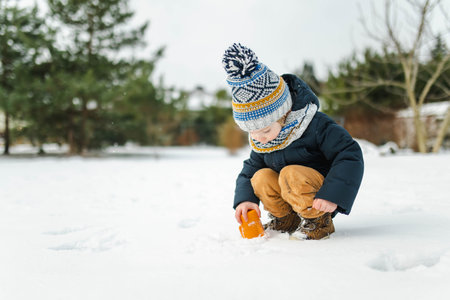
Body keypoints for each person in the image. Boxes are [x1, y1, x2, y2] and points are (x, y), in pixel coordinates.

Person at [222, 43, 364, 240]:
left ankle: (318, 222)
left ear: (283, 114)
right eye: (251, 132)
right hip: (290, 196)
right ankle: (286, 219)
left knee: (291, 173)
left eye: (265, 130)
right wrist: (245, 200)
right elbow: (249, 171)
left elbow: (349, 154)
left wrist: (333, 196)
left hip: (319, 197)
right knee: (260, 176)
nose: (258, 138)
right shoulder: (264, 141)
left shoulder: (315, 126)